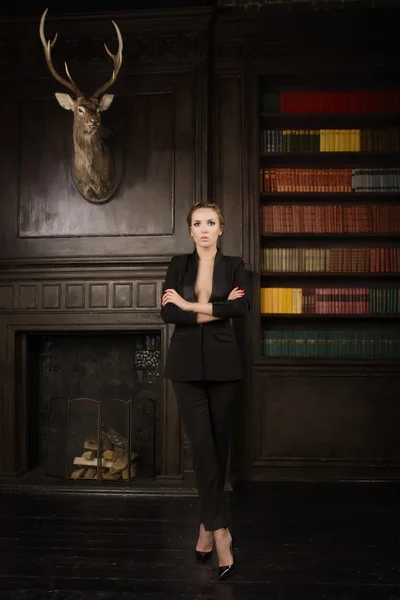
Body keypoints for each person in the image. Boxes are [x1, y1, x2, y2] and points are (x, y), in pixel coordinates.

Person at [160, 201, 250, 581]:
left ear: (221, 228)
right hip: (184, 367)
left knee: (218, 447)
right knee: (201, 448)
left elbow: (242, 307)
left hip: (225, 366)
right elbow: (168, 313)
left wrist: (190, 304)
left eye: (210, 222)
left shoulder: (235, 266)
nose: (204, 229)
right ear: (190, 230)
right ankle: (221, 531)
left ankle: (204, 527)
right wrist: (216, 307)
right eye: (197, 223)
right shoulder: (178, 264)